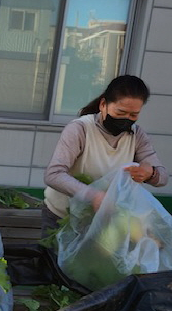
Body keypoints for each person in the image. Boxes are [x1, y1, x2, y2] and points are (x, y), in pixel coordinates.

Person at [43, 75, 168, 234]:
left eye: (133, 115)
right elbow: (53, 175)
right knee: (53, 259)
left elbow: (162, 177)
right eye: (121, 112)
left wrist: (150, 173)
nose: (126, 119)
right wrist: (92, 195)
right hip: (62, 216)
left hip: (104, 221)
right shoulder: (80, 129)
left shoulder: (137, 136)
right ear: (103, 104)